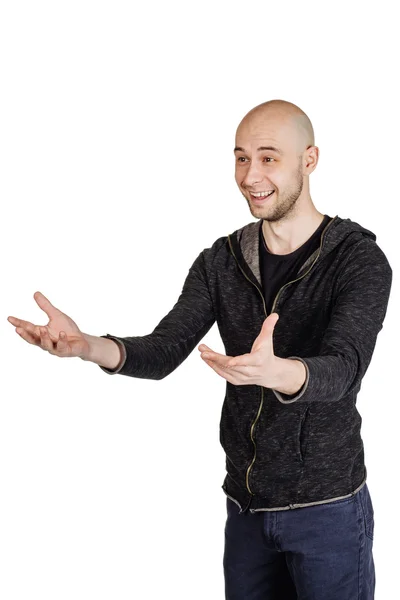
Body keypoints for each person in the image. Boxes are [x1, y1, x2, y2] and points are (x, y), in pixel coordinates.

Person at [7, 99, 392, 599]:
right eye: (240, 157)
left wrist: (278, 373)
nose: (250, 174)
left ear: (309, 160)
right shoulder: (221, 261)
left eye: (269, 157)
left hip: (328, 512)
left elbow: (345, 367)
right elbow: (164, 350)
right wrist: (88, 347)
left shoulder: (358, 259)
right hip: (246, 513)